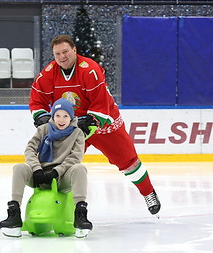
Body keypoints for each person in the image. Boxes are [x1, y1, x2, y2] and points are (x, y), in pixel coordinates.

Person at [29, 34, 161, 216]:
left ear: (74, 50)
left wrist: (91, 121)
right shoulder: (48, 74)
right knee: (56, 163)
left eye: (65, 51)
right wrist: (42, 117)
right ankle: (53, 205)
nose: (62, 57)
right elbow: (37, 100)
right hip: (71, 125)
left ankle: (148, 193)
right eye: (57, 53)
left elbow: (101, 101)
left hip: (103, 122)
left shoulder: (89, 70)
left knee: (128, 162)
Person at [0, 97, 92, 238]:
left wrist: (57, 172)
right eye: (58, 116)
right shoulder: (44, 130)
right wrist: (36, 169)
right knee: (19, 168)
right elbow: (30, 149)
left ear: (71, 117)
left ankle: (80, 214)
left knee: (80, 168)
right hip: (40, 175)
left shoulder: (77, 133)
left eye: (65, 116)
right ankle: (14, 213)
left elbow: (75, 157)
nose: (61, 120)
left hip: (62, 177)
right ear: (53, 116)